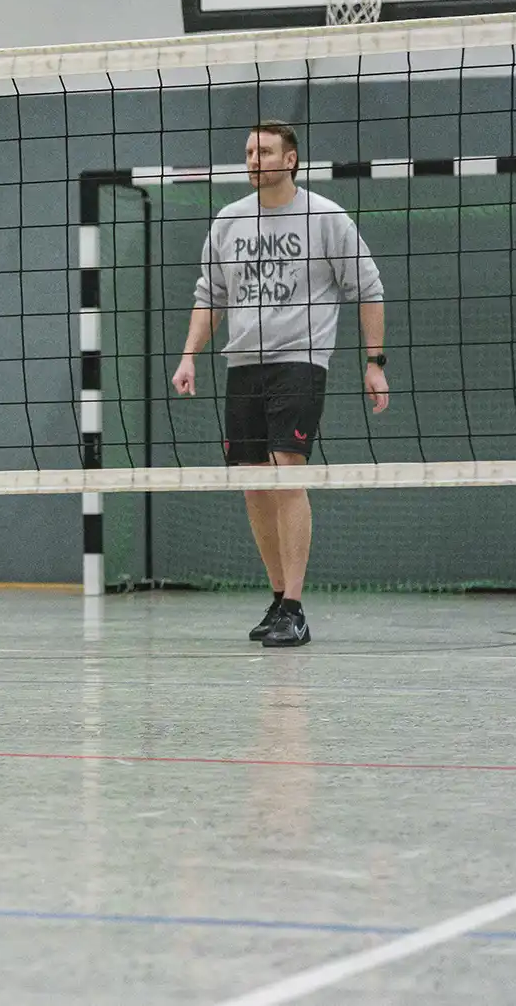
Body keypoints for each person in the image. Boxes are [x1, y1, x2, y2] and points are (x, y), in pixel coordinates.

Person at [170, 122, 388, 648]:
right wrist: (188, 356)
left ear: (290, 159)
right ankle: (276, 599)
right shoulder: (228, 221)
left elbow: (369, 287)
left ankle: (295, 603)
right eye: (248, 151)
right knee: (253, 483)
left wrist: (374, 361)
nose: (254, 159)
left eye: (265, 151)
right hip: (241, 363)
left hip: (300, 359)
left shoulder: (325, 216)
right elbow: (210, 297)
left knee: (286, 473)